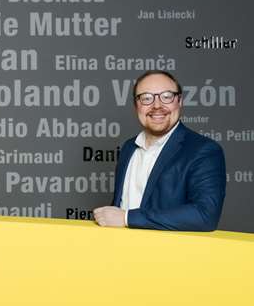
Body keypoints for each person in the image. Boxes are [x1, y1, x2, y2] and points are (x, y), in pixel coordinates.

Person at [93, 70, 226, 231]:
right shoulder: (129, 148)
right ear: (136, 106)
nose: (157, 105)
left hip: (171, 255)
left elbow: (205, 215)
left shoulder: (204, 150)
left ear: (180, 101)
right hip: (122, 252)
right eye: (147, 98)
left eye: (167, 96)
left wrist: (127, 217)